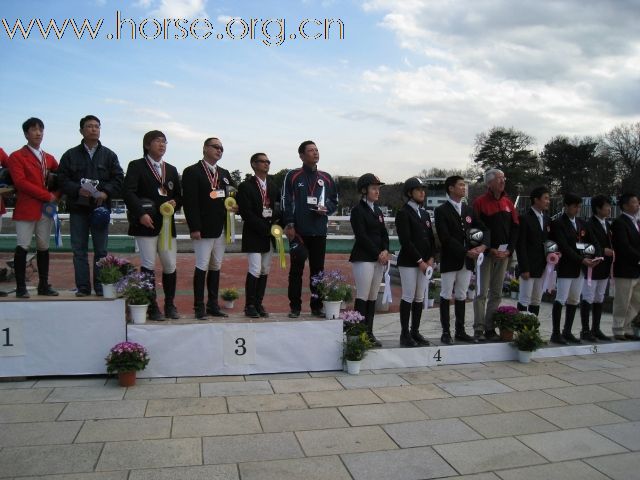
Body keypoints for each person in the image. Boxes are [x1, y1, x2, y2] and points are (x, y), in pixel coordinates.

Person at [58, 115, 124, 297]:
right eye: (89, 126)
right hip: (78, 209)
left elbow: (118, 178)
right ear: (81, 130)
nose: (94, 129)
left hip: (100, 210)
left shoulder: (109, 155)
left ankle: (101, 287)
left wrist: (106, 192)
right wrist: (77, 190)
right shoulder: (70, 155)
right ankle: (83, 288)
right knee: (79, 250)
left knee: (101, 251)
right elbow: (62, 179)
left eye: (97, 126)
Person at [123, 130, 182, 320]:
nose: (162, 145)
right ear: (147, 145)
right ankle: (152, 306)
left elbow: (179, 196)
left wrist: (175, 203)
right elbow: (129, 192)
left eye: (165, 142)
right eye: (157, 141)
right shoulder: (136, 166)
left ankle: (170, 304)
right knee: (148, 264)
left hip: (166, 225)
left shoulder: (171, 169)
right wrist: (140, 214)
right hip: (145, 224)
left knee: (170, 264)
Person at [282, 140, 338, 318]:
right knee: (296, 271)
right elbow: (286, 201)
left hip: (319, 232)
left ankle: (316, 305)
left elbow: (334, 201)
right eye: (311, 150)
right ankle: (295, 307)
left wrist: (326, 208)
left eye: (317, 150)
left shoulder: (326, 177)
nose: (315, 153)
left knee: (318, 271)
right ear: (301, 155)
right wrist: (289, 224)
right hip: (299, 232)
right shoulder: (292, 176)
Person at [182, 137, 236, 319]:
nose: (219, 150)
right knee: (202, 266)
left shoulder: (225, 173)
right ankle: (199, 307)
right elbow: (190, 202)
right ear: (205, 148)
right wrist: (194, 227)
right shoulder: (192, 171)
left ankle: (213, 304)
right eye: (215, 147)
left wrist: (235, 205)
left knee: (216, 266)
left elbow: (231, 195)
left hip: (221, 227)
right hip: (203, 228)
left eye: (222, 148)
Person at [7, 117, 59, 298]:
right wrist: (47, 196)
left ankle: (43, 285)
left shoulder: (49, 158)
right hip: (26, 208)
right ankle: (21, 287)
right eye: (34, 129)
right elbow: (20, 183)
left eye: (41, 129)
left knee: (43, 246)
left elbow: (60, 180)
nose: (38, 133)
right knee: (23, 245)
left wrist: (56, 196)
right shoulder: (16, 156)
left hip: (46, 209)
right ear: (25, 134)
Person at [435, 175, 488, 344]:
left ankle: (460, 330)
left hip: (467, 261)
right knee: (445, 294)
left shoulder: (469, 209)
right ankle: (445, 332)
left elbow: (483, 229)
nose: (463, 188)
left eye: (464, 185)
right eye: (460, 185)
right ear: (451, 188)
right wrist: (466, 251)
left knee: (461, 294)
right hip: (451, 259)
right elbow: (445, 237)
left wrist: (483, 246)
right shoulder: (441, 210)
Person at [472, 169, 519, 341]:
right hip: (487, 254)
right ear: (489, 183)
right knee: (481, 292)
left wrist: (509, 250)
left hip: (504, 254)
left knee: (497, 293)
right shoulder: (480, 202)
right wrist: (488, 248)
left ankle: (490, 327)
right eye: (499, 178)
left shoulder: (508, 202)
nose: (502, 181)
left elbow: (515, 228)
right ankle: (479, 328)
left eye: (503, 178)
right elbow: (475, 230)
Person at [550, 193, 601, 344]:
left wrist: (596, 256)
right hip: (567, 266)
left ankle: (567, 330)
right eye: (574, 206)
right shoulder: (558, 223)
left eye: (579, 206)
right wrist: (582, 259)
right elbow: (565, 247)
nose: (577, 209)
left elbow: (594, 241)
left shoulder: (581, 223)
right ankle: (555, 332)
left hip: (581, 268)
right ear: (566, 206)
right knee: (561, 298)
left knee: (573, 299)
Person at [236, 153, 281, 318]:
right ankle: (249, 305)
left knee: (264, 269)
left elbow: (278, 208)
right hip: (254, 234)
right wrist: (265, 228)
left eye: (268, 161)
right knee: (255, 268)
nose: (266, 164)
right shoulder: (245, 186)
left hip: (269, 235)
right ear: (254, 164)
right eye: (263, 161)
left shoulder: (273, 186)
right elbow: (246, 213)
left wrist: (276, 225)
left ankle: (258, 303)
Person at [394, 177, 435, 347]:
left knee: (419, 297)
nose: (422, 192)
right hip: (410, 262)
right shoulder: (403, 213)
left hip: (425, 262)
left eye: (423, 189)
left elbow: (431, 239)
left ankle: (415, 331)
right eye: (418, 189)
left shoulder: (425, 213)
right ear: (410, 193)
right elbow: (406, 241)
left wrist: (431, 258)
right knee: (409, 296)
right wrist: (420, 261)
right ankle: (404, 334)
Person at [349, 173, 389, 347]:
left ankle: (370, 332)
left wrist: (386, 250)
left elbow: (384, 233)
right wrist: (378, 253)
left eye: (378, 188)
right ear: (364, 190)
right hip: (364, 258)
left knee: (373, 297)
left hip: (379, 258)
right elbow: (362, 236)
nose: (377, 191)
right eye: (374, 188)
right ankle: (359, 333)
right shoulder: (358, 210)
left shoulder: (378, 211)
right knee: (363, 295)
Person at [580, 194, 614, 341]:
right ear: (598, 208)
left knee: (600, 297)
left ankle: (596, 328)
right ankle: (585, 330)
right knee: (588, 296)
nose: (609, 209)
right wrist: (601, 250)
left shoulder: (607, 224)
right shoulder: (589, 224)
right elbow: (585, 244)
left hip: (605, 266)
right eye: (606, 206)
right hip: (593, 266)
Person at [515, 186, 551, 316]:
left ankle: (532, 328)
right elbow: (521, 245)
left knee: (536, 300)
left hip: (542, 267)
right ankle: (520, 329)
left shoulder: (547, 219)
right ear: (536, 200)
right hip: (528, 266)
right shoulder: (524, 218)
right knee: (525, 298)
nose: (548, 201)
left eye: (548, 199)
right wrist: (524, 268)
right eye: (545, 198)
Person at [610, 192, 640, 341]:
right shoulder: (620, 223)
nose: (637, 204)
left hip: (637, 269)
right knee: (622, 301)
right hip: (625, 268)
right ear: (625, 206)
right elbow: (623, 246)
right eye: (634, 202)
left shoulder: (637, 222)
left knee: (636, 301)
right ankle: (618, 328)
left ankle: (628, 327)